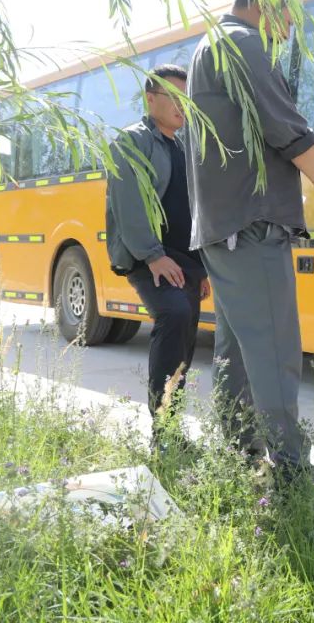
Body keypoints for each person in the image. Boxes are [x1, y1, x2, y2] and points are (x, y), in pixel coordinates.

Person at [184, 0, 314, 478]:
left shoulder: (209, 44)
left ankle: (239, 454)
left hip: (224, 227)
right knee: (275, 349)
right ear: (264, 4)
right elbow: (288, 130)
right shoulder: (243, 43)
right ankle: (290, 469)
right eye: (289, 13)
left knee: (237, 352)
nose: (291, 26)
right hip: (252, 224)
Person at [105, 64, 210, 443]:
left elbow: (193, 210)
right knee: (174, 314)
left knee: (185, 338)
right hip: (151, 257)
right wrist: (152, 255)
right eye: (174, 97)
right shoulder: (131, 142)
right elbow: (129, 203)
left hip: (186, 260)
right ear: (151, 99)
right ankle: (162, 433)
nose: (183, 106)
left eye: (187, 98)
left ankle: (172, 429)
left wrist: (203, 268)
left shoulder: (183, 145)